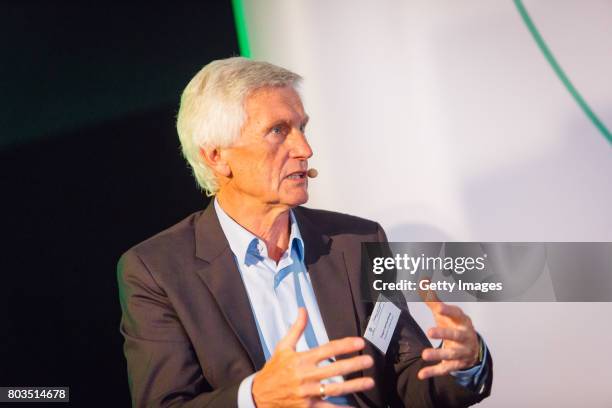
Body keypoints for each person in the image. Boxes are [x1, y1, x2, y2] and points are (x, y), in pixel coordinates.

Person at [117, 57, 492, 407]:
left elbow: (407, 376)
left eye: (302, 128)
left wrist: (464, 363)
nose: (305, 148)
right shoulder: (157, 271)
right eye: (278, 131)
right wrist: (256, 396)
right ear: (217, 156)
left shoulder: (358, 242)